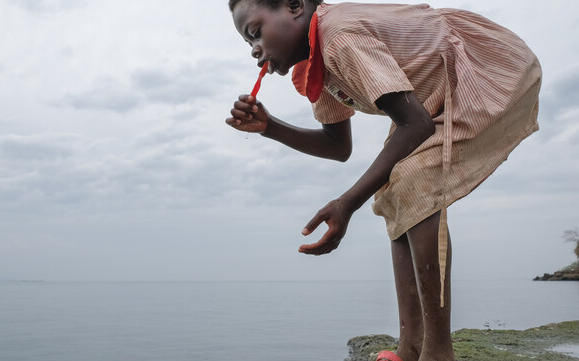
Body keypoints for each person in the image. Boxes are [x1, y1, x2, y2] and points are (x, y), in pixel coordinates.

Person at [225, 1, 541, 360]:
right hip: (432, 97)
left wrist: (348, 203)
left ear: (295, 7)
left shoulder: (340, 37)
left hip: (486, 69)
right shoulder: (317, 69)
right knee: (393, 188)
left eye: (254, 32)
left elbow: (416, 124)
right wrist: (270, 128)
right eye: (247, 43)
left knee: (413, 179)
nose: (253, 49)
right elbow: (338, 146)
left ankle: (437, 353)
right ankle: (410, 347)